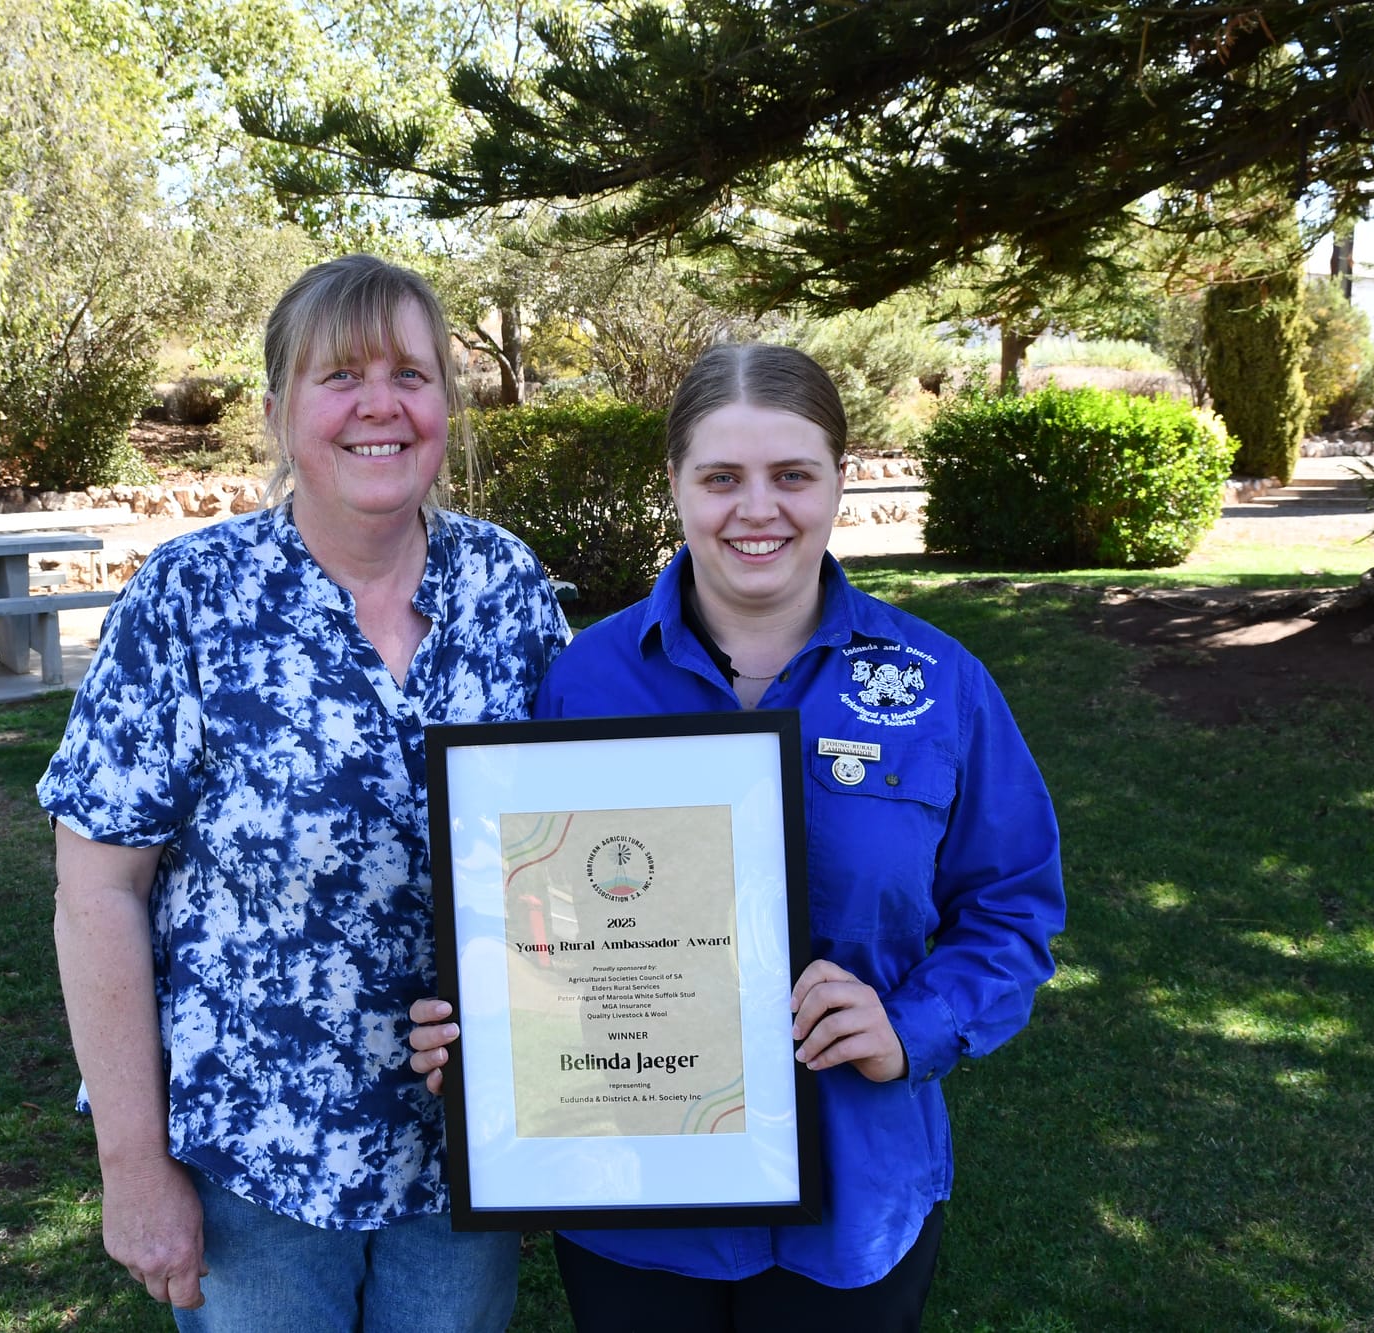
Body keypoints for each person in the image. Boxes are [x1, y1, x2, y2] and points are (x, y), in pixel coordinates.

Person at [408, 342, 1065, 1331]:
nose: (757, 510)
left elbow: (1012, 906)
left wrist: (912, 1026)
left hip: (853, 1197)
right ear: (675, 483)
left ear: (838, 480)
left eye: (792, 474)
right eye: (721, 478)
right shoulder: (584, 682)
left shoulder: (937, 685)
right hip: (636, 1196)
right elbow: (534, 915)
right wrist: (488, 1031)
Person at [40, 254, 570, 1331]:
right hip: (255, 1166)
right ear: (280, 411)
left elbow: (576, 836)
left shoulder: (506, 587)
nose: (381, 405)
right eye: (341, 376)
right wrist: (132, 1166)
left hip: (460, 1154)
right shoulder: (188, 599)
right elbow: (96, 892)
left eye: (410, 375)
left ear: (447, 405)